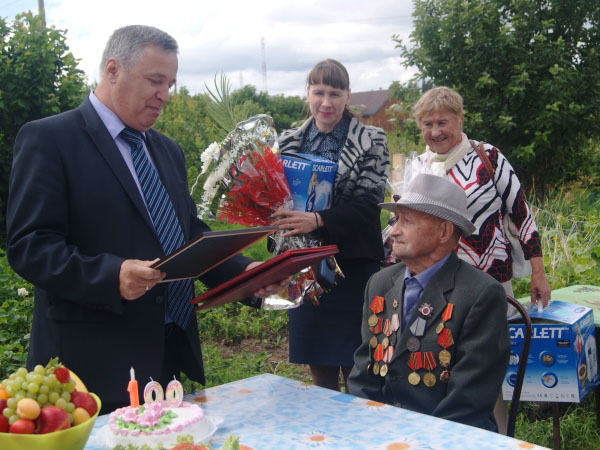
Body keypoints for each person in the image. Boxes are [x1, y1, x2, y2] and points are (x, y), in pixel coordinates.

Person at [6, 25, 285, 414]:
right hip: (90, 366)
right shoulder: (50, 140)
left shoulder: (165, 150)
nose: (166, 96)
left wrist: (247, 272)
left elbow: (187, 236)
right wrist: (111, 276)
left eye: (170, 83)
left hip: (166, 354)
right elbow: (29, 247)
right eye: (156, 81)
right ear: (113, 70)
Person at [410, 86, 551, 433]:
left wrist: (538, 272)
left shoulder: (487, 157)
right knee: (439, 366)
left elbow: (521, 213)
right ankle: (447, 436)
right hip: (435, 287)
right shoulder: (419, 166)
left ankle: (499, 437)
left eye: (443, 122)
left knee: (485, 369)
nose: (436, 131)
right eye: (428, 124)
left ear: (459, 120)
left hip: (488, 284)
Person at [348, 173, 510, 432]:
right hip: (379, 431)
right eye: (395, 219)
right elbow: (363, 375)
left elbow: (468, 402)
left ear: (444, 231)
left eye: (407, 221)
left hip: (450, 437)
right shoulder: (379, 284)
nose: (394, 231)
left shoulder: (481, 294)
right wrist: (367, 429)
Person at [271, 59, 389, 391]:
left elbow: (369, 206)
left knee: (358, 370)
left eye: (335, 93)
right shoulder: (288, 142)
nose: (326, 102)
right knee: (319, 368)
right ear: (307, 93)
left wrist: (319, 219)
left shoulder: (371, 140)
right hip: (305, 268)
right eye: (319, 92)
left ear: (347, 96)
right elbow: (277, 204)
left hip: (354, 266)